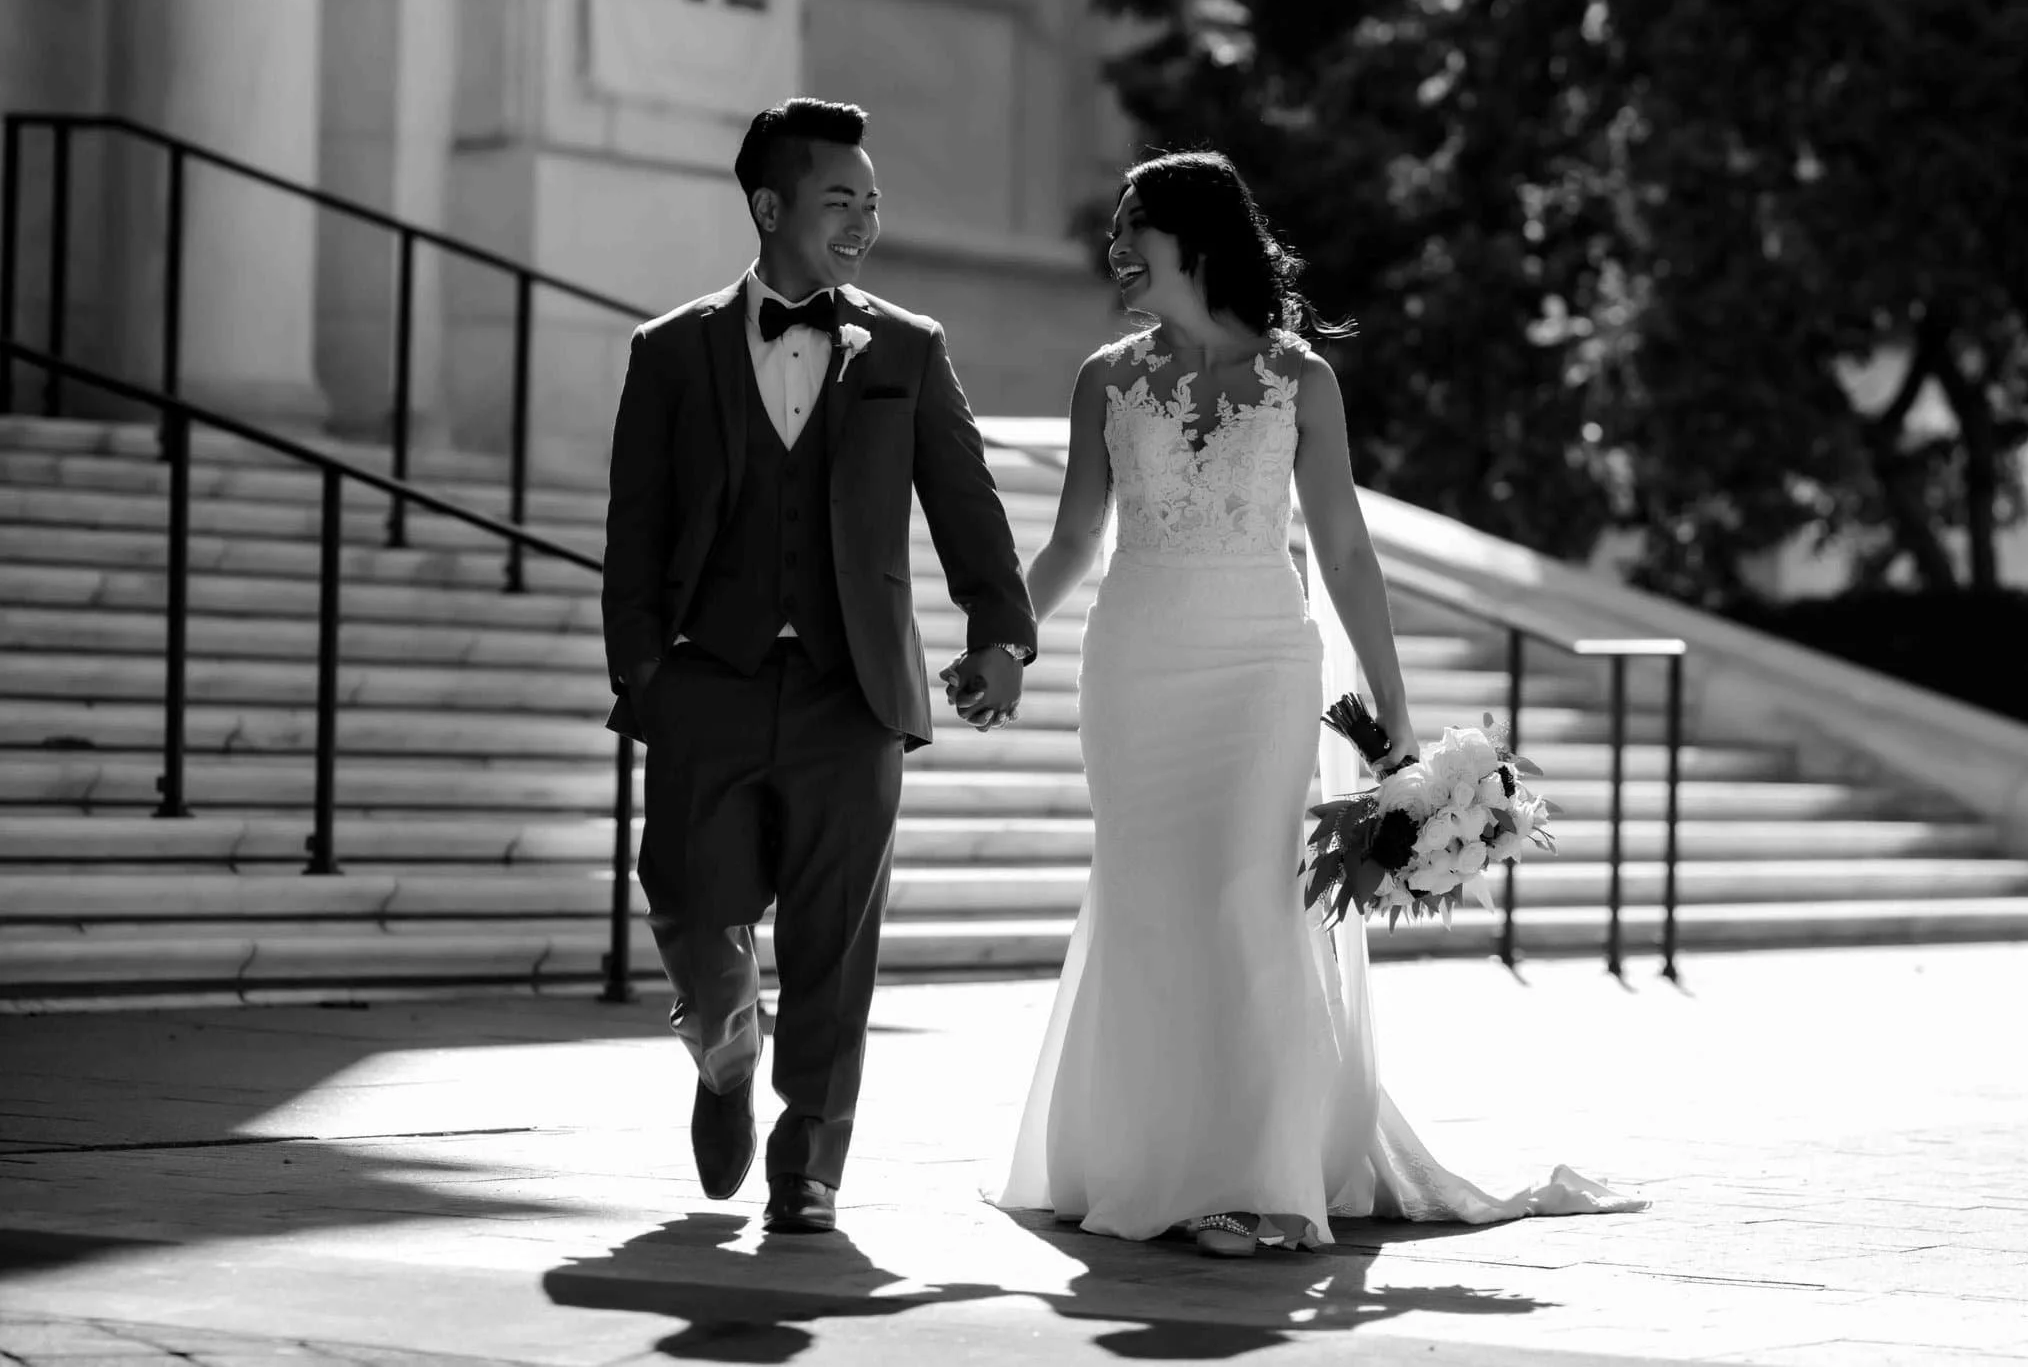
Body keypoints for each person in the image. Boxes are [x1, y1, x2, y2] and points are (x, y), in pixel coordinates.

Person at [999, 151, 1642, 1255]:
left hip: (1260, 665)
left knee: (1251, 897)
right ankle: (1147, 1158)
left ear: (1192, 240)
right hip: (1135, 665)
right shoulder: (1105, 378)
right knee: (1152, 902)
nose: (1114, 252)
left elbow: (1344, 549)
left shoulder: (1302, 381)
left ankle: (1252, 1175)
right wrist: (1001, 642)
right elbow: (1070, 542)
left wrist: (1394, 716)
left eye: (1130, 231)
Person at [602, 98, 1037, 1234]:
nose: (864, 219)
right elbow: (635, 527)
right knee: (691, 903)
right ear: (768, 205)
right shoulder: (669, 351)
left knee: (834, 941)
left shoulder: (907, 347)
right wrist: (645, 675)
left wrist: (999, 631)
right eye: (840, 198)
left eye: (873, 201)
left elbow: (964, 500)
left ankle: (809, 1164)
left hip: (857, 692)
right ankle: (723, 1040)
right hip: (709, 679)